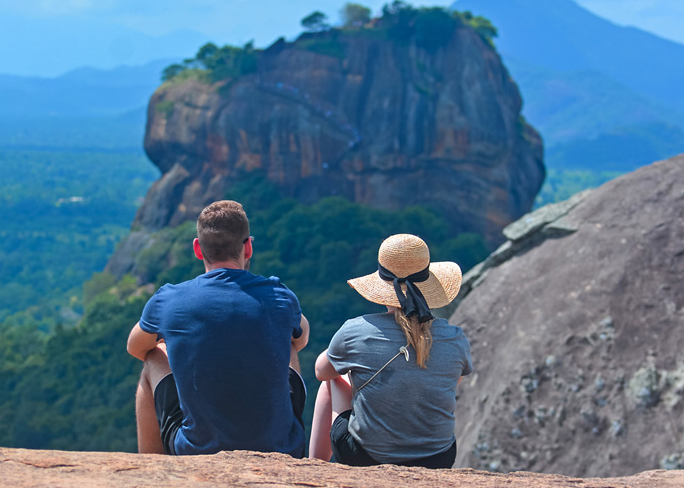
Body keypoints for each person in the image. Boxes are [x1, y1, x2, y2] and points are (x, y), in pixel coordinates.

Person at [126, 200, 310, 457]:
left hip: (197, 451)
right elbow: (301, 338)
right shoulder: (280, 295)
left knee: (153, 357)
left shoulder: (168, 300)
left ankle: (153, 470)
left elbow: (135, 348)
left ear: (198, 249)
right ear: (248, 247)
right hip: (282, 449)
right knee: (287, 340)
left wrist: (175, 345)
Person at [309, 233, 472, 468]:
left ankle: (315, 467)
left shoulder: (356, 330)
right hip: (439, 458)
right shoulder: (456, 338)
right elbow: (450, 385)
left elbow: (321, 372)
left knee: (335, 378)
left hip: (365, 457)